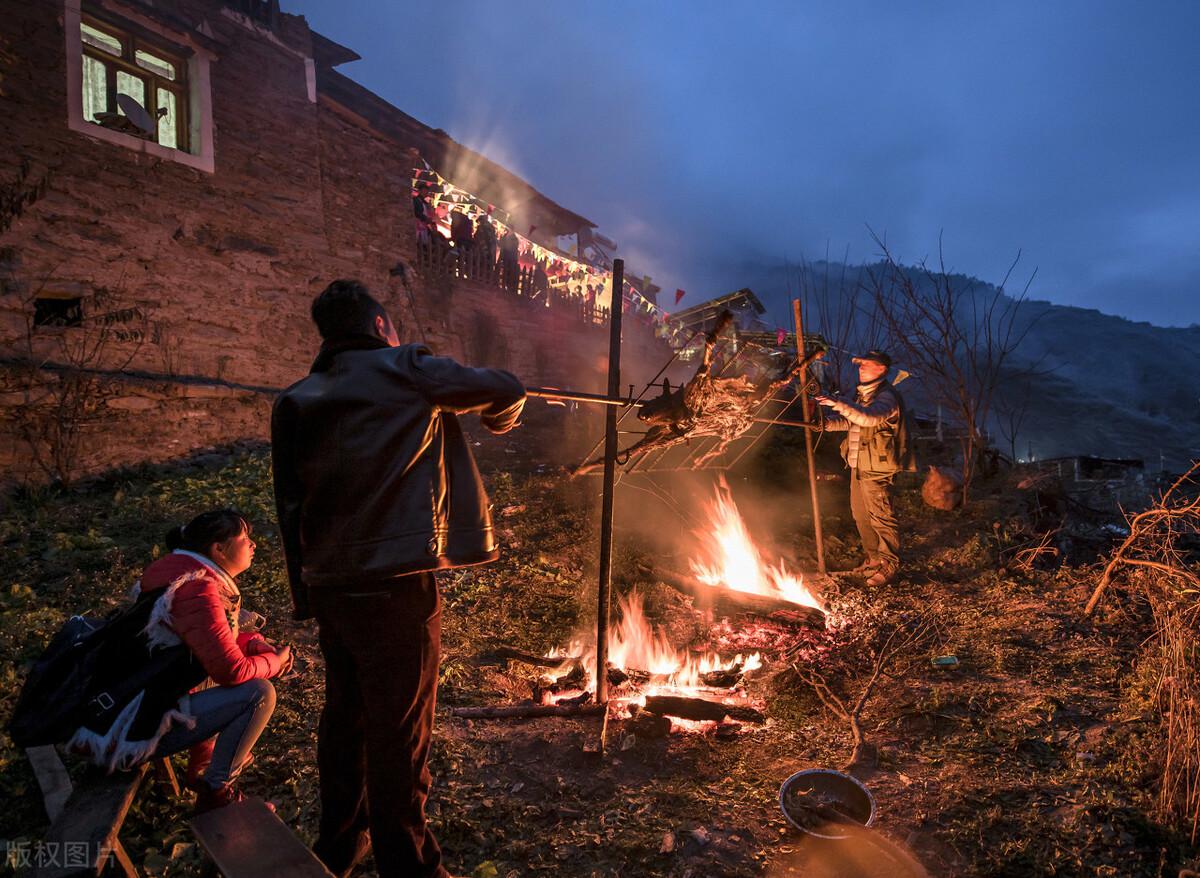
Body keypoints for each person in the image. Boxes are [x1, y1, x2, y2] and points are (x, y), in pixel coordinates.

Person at [271, 280, 525, 878]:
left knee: (345, 716)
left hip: (331, 584)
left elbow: (288, 505)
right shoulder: (407, 367)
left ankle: (339, 843)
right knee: (401, 729)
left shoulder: (296, 398)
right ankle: (408, 865)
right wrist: (499, 420)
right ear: (382, 326)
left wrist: (304, 593)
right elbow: (505, 386)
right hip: (396, 585)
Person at [67, 509, 291, 813]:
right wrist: (275, 662)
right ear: (219, 549)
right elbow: (231, 670)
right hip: (126, 731)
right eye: (245, 538)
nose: (253, 545)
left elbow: (199, 642)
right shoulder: (197, 588)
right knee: (259, 693)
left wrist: (251, 642)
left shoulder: (175, 570)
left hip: (117, 713)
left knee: (231, 672)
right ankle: (216, 793)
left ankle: (204, 757)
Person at [814, 350, 914, 587]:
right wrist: (826, 424)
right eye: (860, 364)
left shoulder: (887, 397)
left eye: (867, 365)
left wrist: (839, 402)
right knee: (861, 515)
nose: (861, 368)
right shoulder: (864, 396)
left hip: (878, 467)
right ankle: (874, 558)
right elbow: (852, 421)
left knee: (881, 516)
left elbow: (870, 418)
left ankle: (889, 563)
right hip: (859, 465)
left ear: (882, 369)